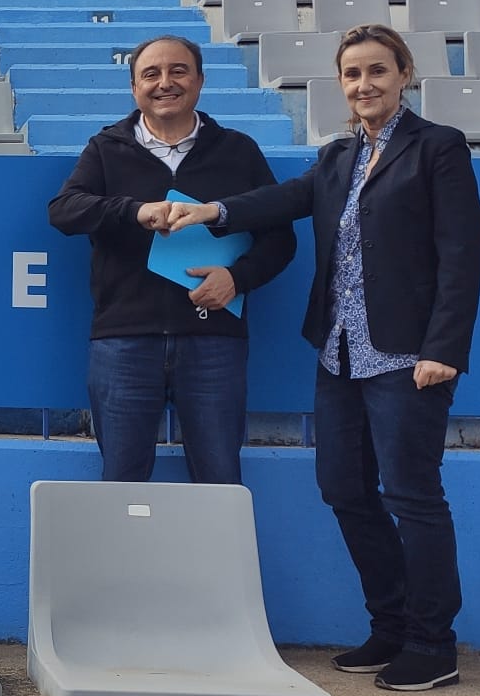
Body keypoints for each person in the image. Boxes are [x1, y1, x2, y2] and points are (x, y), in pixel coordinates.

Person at [167, 24, 480, 692]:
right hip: (339, 350)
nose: (364, 85)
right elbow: (284, 199)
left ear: (403, 74)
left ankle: (433, 644)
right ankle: (391, 624)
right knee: (343, 488)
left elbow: (461, 253)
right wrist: (213, 211)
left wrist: (443, 350)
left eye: (377, 71)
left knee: (413, 496)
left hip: (406, 355)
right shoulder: (338, 155)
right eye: (352, 74)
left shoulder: (438, 148)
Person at [47, 35, 297, 483]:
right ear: (134, 88)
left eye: (178, 71)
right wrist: (134, 211)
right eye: (151, 74)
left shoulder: (238, 151)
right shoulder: (106, 148)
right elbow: (63, 211)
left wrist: (237, 279)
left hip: (214, 341)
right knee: (121, 482)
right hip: (124, 341)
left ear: (200, 80)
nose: (165, 83)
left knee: (219, 481)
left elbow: (280, 238)